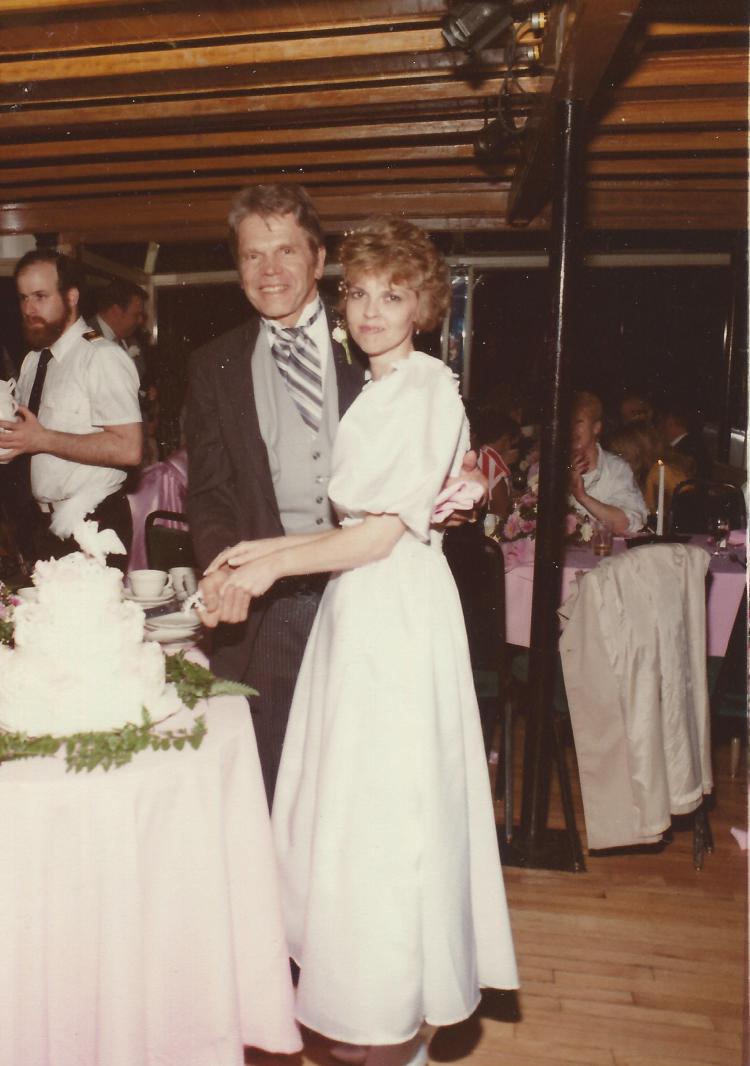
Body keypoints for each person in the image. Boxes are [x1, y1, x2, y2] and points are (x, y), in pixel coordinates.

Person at [202, 216, 518, 1066]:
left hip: (395, 610)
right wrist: (258, 549)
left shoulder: (424, 388)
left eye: (394, 295)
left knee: (384, 812)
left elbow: (380, 536)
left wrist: (271, 566)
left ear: (423, 307)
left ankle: (386, 1009)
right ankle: (364, 999)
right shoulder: (383, 388)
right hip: (361, 606)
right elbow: (363, 521)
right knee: (349, 810)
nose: (374, 310)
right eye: (362, 294)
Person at [186, 183, 483, 804]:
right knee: (283, 785)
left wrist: (471, 493)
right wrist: (226, 571)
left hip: (376, 597)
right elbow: (210, 493)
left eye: (286, 251)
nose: (269, 270)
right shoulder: (213, 363)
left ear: (319, 260)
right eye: (252, 255)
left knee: (372, 784)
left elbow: (437, 475)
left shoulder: (383, 348)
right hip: (273, 611)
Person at [0, 250, 142, 568]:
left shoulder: (101, 357)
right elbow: (27, 437)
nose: (29, 309)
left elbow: (129, 449)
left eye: (40, 296)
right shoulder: (34, 361)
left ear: (71, 297)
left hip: (92, 523)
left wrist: (42, 439)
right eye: (23, 298)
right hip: (42, 524)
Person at [569, 390, 647, 534]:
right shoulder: (550, 468)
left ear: (596, 428)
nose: (571, 429)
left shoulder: (616, 468)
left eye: (578, 422)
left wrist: (582, 497)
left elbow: (628, 523)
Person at [609, 420, 694, 517]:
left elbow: (687, 507)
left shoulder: (660, 473)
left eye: (620, 453)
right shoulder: (637, 477)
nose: (614, 459)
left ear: (639, 450)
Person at [656, 399, 713, 480]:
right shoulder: (693, 443)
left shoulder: (683, 451)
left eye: (661, 421)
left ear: (670, 421)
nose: (659, 427)